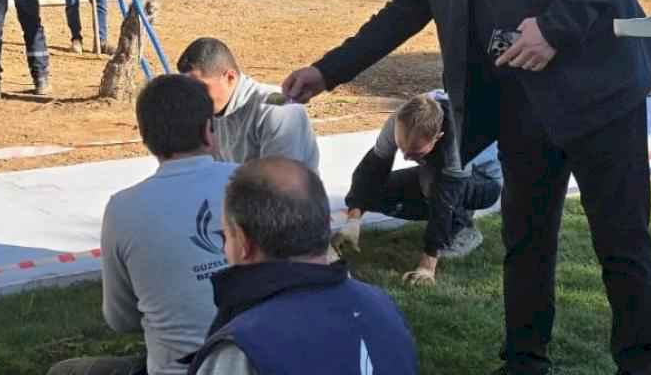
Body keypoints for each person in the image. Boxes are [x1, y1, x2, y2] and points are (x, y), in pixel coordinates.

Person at [281, 0, 651, 375]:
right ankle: (524, 362)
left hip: (600, 95)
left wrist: (556, 28)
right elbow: (404, 11)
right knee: (526, 244)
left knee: (622, 243)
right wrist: (327, 71)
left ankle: (639, 366)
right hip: (517, 107)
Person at [47, 74, 237, 375]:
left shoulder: (123, 209)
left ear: (145, 138)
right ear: (208, 130)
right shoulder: (254, 182)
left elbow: (121, 319)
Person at [186, 157, 419, 375]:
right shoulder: (383, 306)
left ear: (244, 242)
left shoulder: (241, 352)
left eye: (226, 235)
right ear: (326, 225)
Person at [332, 90, 502, 285]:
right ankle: (451, 222)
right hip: (435, 173)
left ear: (438, 137)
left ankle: (462, 228)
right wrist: (354, 220)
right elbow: (370, 171)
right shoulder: (399, 119)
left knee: (432, 184)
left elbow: (443, 201)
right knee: (379, 195)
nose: (405, 157)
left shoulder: (455, 140)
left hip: (484, 181)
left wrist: (427, 266)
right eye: (401, 148)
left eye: (414, 152)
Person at [177, 38, 319, 172]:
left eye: (200, 88)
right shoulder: (212, 111)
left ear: (230, 78)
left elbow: (281, 186)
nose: (193, 97)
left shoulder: (277, 109)